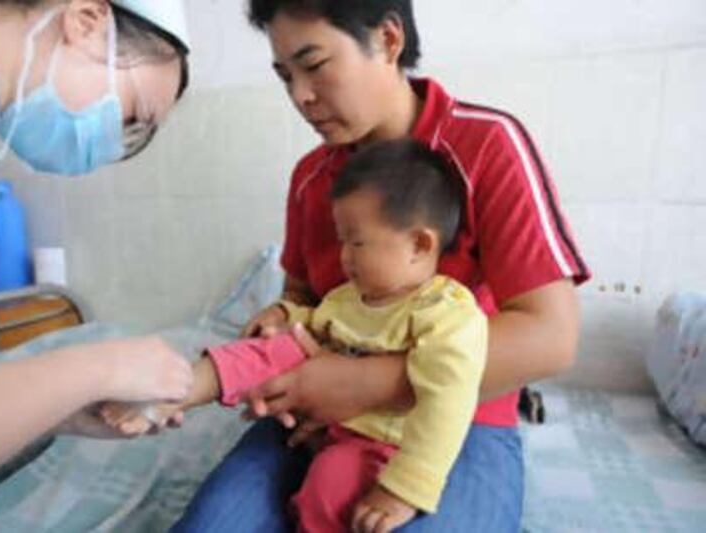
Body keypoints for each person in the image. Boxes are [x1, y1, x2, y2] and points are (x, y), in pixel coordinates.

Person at [174, 1, 590, 531]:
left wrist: (362, 383)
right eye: (285, 76)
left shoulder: (485, 144)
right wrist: (284, 318)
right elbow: (303, 299)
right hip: (323, 415)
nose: (301, 96)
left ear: (389, 39)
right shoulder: (311, 176)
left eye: (315, 64)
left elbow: (552, 337)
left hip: (460, 414)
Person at [102, 139, 487, 532]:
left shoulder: (446, 314)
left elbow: (449, 402)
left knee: (328, 488)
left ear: (419, 245)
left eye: (356, 242)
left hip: (383, 444)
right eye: (341, 241)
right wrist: (285, 315)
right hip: (323, 420)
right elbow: (318, 319)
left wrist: (405, 489)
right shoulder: (350, 297)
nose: (344, 257)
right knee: (279, 346)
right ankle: (177, 389)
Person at [0, 0, 194, 499]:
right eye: (131, 116)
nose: (112, 145)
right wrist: (100, 367)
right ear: (86, 20)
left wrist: (51, 408)